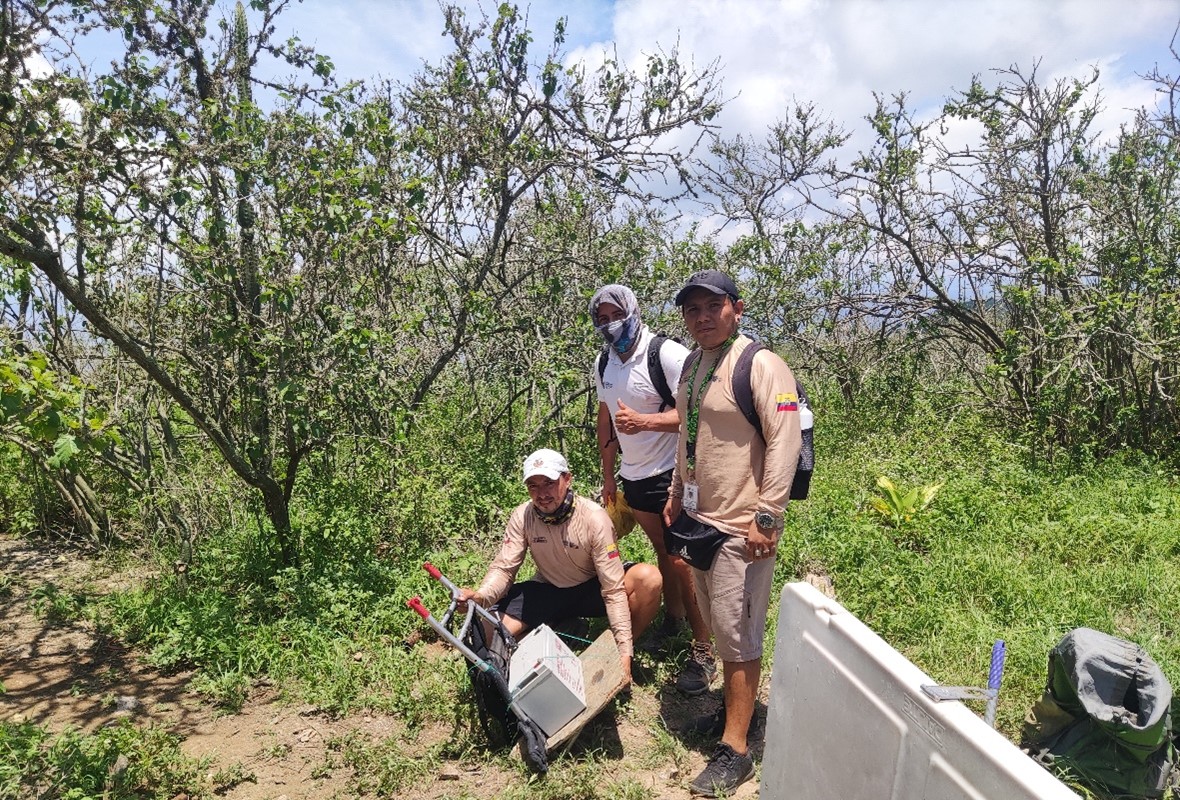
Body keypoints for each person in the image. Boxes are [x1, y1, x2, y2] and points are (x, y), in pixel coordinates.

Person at [662, 270, 802, 798]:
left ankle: (736, 750)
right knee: (721, 625)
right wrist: (678, 489)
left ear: (736, 308)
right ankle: (733, 716)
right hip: (701, 518)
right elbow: (687, 433)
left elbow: (785, 442)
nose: (701, 317)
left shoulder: (761, 364)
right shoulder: (694, 366)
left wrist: (767, 515)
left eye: (712, 306)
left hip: (743, 525)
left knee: (739, 634)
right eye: (692, 309)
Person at [589, 284, 714, 695]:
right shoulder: (604, 362)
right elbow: (605, 419)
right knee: (663, 551)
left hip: (671, 474)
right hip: (634, 476)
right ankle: (674, 621)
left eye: (615, 315)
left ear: (633, 311)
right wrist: (609, 476)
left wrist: (646, 423)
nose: (610, 325)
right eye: (602, 319)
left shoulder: (666, 354)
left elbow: (699, 413)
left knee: (682, 560)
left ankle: (703, 650)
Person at [458, 448, 662, 683]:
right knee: (487, 630)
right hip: (549, 588)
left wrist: (626, 652)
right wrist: (481, 598)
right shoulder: (523, 515)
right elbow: (504, 568)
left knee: (648, 578)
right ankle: (563, 630)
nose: (542, 494)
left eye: (548, 483)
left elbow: (613, 589)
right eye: (533, 486)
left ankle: (614, 654)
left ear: (567, 479)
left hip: (592, 588)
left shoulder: (594, 518)